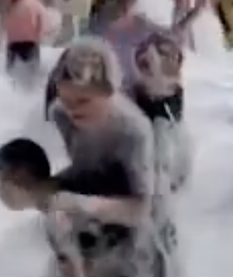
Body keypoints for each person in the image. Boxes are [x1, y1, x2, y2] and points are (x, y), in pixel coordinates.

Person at [42, 38, 179, 277]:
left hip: (140, 227)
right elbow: (84, 168)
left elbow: (142, 207)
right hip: (95, 218)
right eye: (66, 100)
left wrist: (83, 205)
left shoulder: (134, 130)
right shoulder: (61, 115)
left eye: (83, 100)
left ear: (109, 93)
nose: (72, 110)